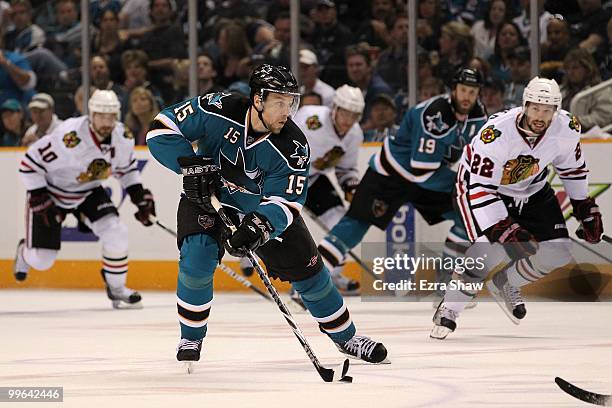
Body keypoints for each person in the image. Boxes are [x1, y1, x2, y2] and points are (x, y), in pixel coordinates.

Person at [146, 64, 388, 366]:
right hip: (208, 198)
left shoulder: (293, 147)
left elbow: (286, 201)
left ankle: (346, 337)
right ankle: (191, 336)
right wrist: (190, 164)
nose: (286, 112)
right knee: (196, 260)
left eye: (291, 103)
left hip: (259, 210)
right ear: (258, 100)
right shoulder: (218, 107)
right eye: (279, 103)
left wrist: (259, 226)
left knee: (310, 274)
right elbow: (160, 128)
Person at [431, 77, 604, 339]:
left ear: (556, 110)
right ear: (525, 105)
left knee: (558, 251)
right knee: (492, 249)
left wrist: (584, 207)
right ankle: (450, 307)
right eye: (535, 108)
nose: (540, 115)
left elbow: (572, 168)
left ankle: (506, 283)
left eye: (547, 110)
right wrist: (502, 227)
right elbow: (479, 185)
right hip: (482, 189)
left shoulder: (566, 127)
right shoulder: (497, 134)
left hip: (531, 188)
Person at [318, 68, 487, 300]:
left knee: (466, 217)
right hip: (391, 175)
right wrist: (464, 185)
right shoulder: (434, 115)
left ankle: (445, 285)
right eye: (463, 90)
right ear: (453, 90)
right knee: (355, 224)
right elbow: (421, 169)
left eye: (473, 91)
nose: (467, 96)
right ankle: (311, 282)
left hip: (427, 178)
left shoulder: (478, 115)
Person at [13, 90, 156, 309]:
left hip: (88, 191)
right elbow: (29, 164)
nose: (107, 122)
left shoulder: (123, 137)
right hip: (51, 193)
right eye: (101, 115)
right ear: (91, 114)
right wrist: (39, 196)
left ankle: (117, 289)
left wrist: (139, 196)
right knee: (42, 260)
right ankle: (25, 252)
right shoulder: (69, 136)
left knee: (116, 232)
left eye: (111, 116)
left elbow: (126, 170)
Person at [291, 84, 365, 294]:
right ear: (335, 108)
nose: (348, 121)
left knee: (340, 222)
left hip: (313, 179)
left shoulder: (354, 134)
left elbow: (345, 169)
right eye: (345, 114)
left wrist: (351, 186)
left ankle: (331, 276)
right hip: (281, 177)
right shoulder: (310, 118)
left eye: (354, 115)